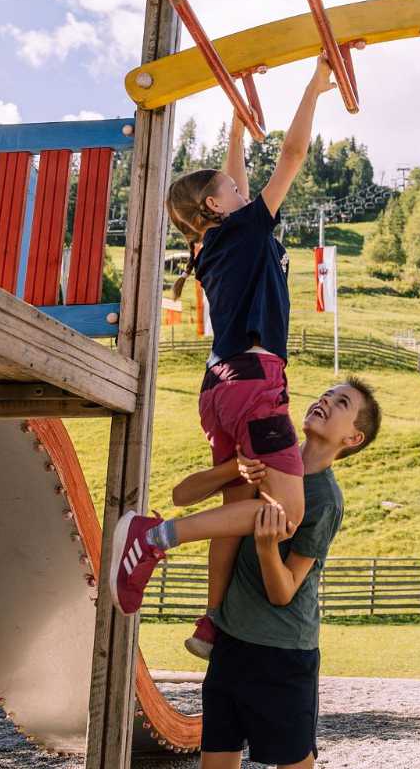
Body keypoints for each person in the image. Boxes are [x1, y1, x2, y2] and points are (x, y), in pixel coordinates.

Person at [109, 378, 380, 769]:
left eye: (341, 403)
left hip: (283, 654)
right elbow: (182, 495)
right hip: (231, 641)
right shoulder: (269, 461)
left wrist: (268, 547)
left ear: (352, 439)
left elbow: (284, 592)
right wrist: (232, 469)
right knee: (216, 762)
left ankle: (158, 539)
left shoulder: (325, 500)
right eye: (325, 393)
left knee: (293, 764)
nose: (325, 400)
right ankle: (157, 540)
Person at [161, 56, 336, 659]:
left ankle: (210, 621)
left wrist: (236, 124)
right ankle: (158, 536)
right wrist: (313, 89)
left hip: (219, 386)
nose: (243, 186)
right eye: (234, 189)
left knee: (238, 501)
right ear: (216, 207)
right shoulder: (246, 229)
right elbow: (290, 157)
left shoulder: (213, 244)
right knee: (286, 514)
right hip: (254, 381)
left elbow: (233, 176)